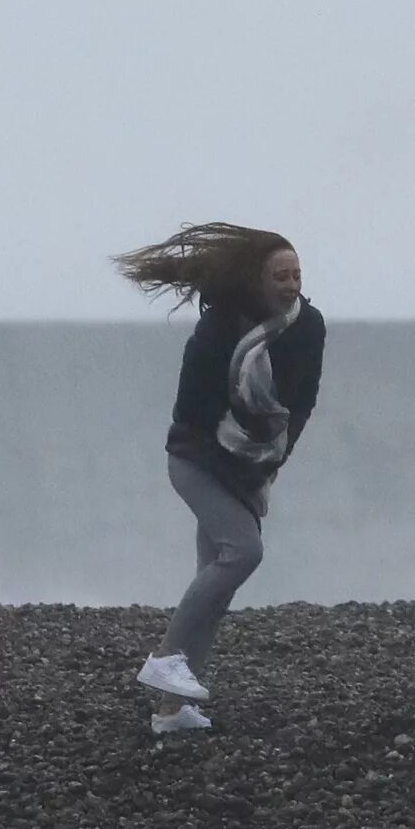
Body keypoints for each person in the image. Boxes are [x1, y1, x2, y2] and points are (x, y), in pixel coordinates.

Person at [112, 223, 326, 736]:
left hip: (255, 464)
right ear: (256, 280)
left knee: (215, 572)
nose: (292, 284)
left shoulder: (308, 325)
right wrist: (240, 443)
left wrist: (273, 456)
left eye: (297, 274)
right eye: (280, 276)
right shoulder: (218, 331)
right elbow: (191, 412)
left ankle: (171, 711)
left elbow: (303, 400)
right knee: (242, 553)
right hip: (199, 460)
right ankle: (167, 660)